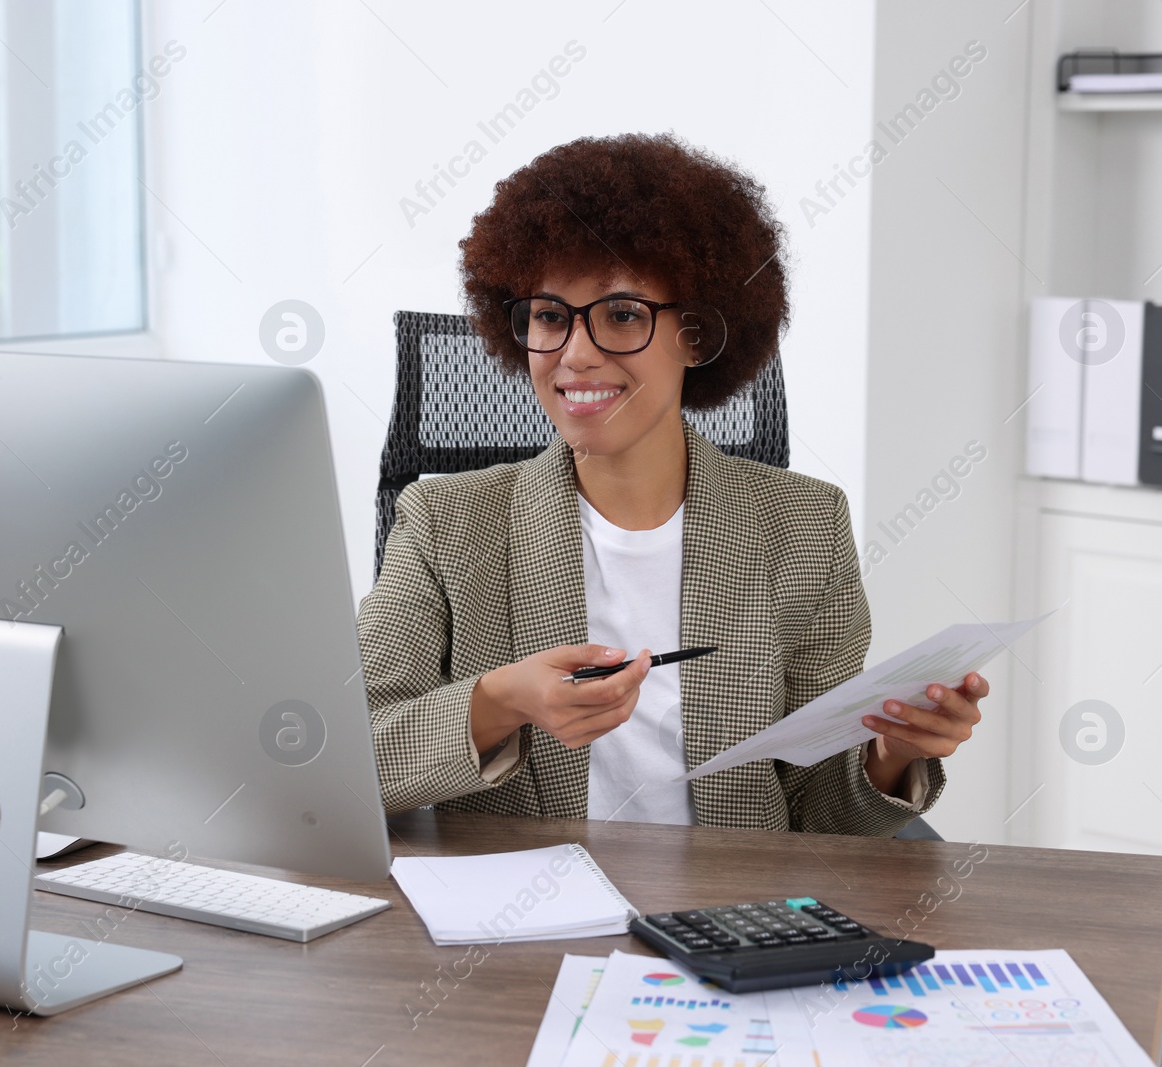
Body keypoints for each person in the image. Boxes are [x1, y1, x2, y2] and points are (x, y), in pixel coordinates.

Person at [357, 132, 987, 833]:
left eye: (622, 314)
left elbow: (823, 815)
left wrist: (889, 752)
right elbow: (351, 758)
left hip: (730, 913)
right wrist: (500, 700)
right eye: (549, 316)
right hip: (523, 918)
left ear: (696, 333)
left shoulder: (807, 527)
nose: (576, 354)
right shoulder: (446, 522)